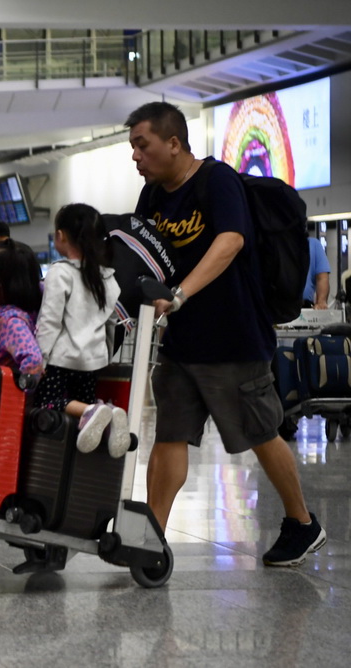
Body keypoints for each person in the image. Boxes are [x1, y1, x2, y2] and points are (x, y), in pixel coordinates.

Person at [126, 100, 325, 567]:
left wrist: (180, 293)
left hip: (233, 336)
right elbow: (139, 252)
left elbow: (231, 240)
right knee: (170, 435)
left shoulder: (217, 181)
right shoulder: (153, 195)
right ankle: (152, 537)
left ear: (173, 144)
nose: (135, 156)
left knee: (260, 432)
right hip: (181, 341)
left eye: (142, 145)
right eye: (132, 147)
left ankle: (302, 523)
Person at [34, 204, 128, 458]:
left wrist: (38, 359)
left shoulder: (60, 272)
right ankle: (106, 413)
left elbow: (50, 322)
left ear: (61, 236)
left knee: (49, 402)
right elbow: (111, 325)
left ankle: (96, 412)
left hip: (61, 359)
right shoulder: (107, 277)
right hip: (93, 361)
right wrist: (105, 356)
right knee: (81, 409)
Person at [0, 242, 43, 376]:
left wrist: (18, 392)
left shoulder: (9, 321)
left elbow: (34, 361)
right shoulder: (3, 312)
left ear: (0, 283)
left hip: (1, 395)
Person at [303, 234, 329, 309]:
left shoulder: (313, 244)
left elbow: (322, 278)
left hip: (304, 306)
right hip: (276, 306)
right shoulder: (275, 244)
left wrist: (321, 302)